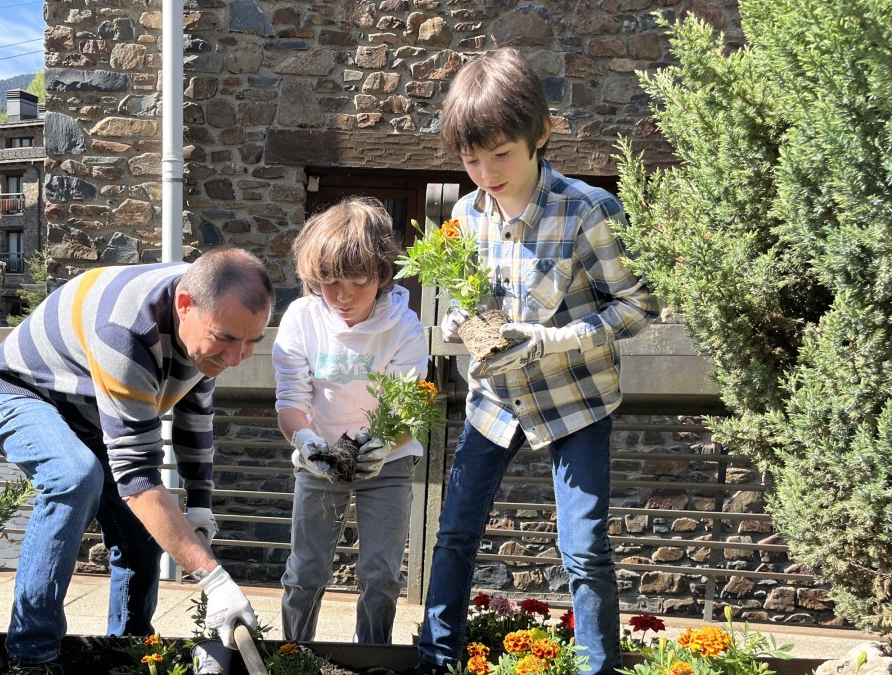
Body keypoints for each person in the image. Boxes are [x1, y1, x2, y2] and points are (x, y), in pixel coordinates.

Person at [413, 48, 660, 675]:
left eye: (500, 154)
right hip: (493, 399)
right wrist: (459, 323)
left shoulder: (588, 210)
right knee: (455, 536)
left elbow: (637, 308)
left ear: (541, 134)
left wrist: (551, 340)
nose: (486, 172)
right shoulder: (465, 215)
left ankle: (595, 668)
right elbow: (472, 302)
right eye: (471, 159)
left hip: (576, 399)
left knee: (584, 551)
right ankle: (437, 660)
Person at [0, 248, 273, 673]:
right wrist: (214, 579)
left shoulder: (209, 315)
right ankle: (30, 657)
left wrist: (200, 504)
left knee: (145, 532)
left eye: (251, 343)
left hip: (94, 416)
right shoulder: (126, 330)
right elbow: (137, 478)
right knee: (74, 476)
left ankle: (128, 652)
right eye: (227, 339)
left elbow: (195, 417)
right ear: (185, 306)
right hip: (15, 391)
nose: (238, 357)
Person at [272, 197, 430, 644]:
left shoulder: (405, 327)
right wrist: (305, 440)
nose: (342, 296)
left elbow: (409, 406)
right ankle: (292, 655)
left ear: (381, 276)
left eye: (358, 282)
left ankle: (374, 656)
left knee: (381, 573)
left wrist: (381, 441)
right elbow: (291, 399)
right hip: (320, 460)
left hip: (390, 461)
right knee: (305, 570)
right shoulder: (302, 319)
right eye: (329, 283)